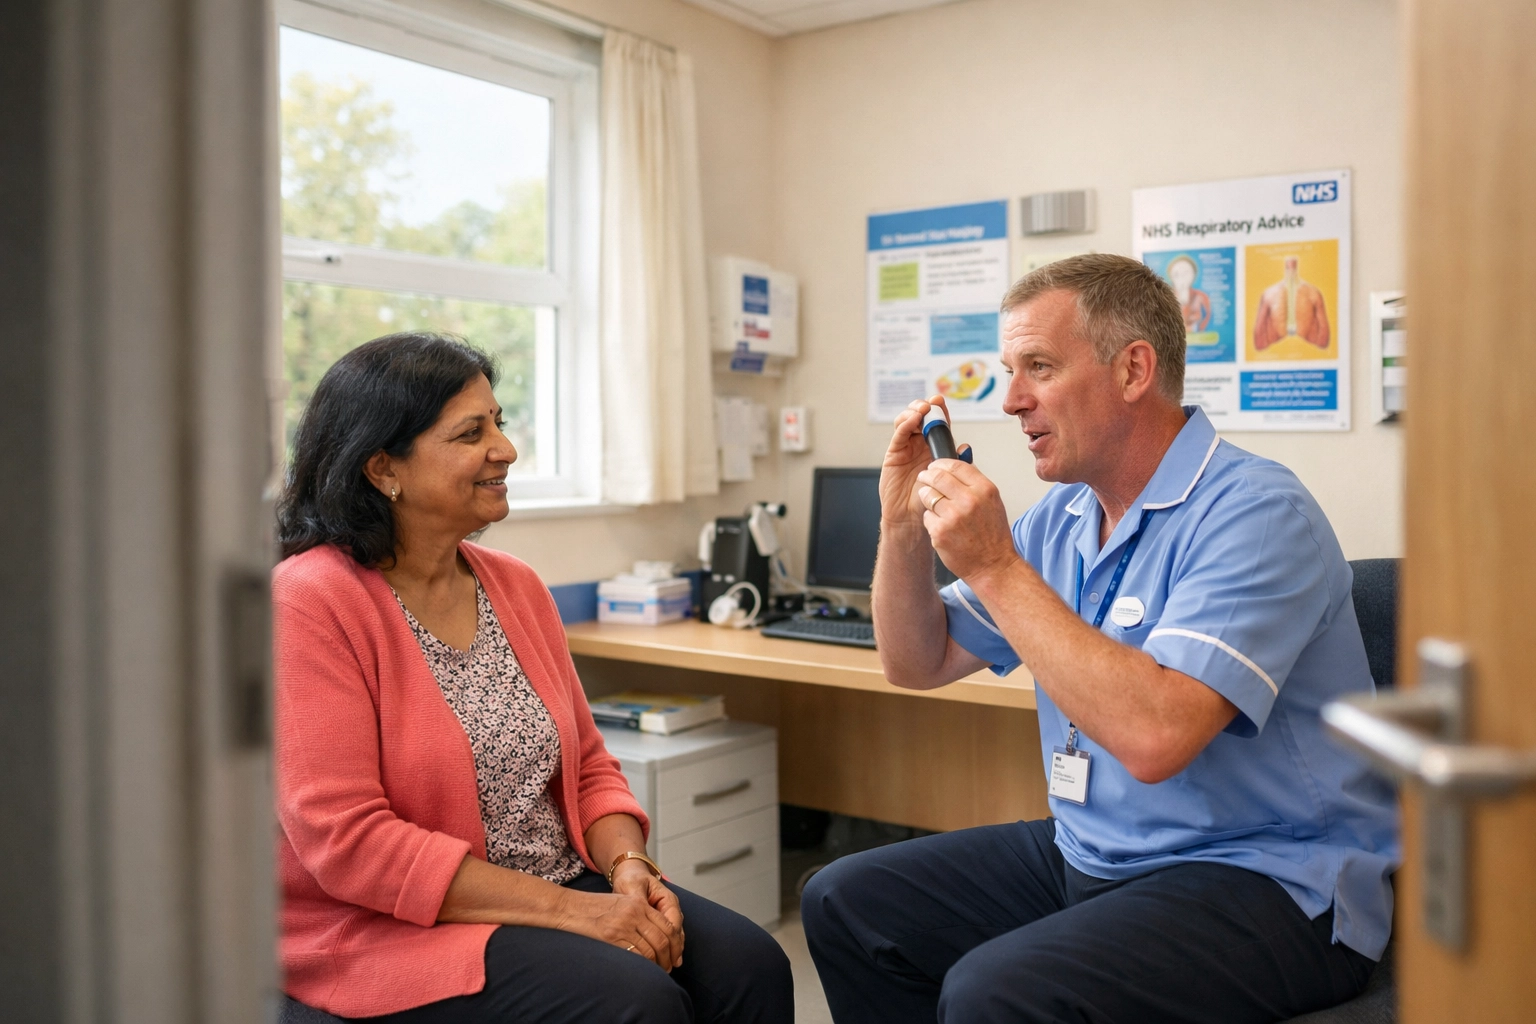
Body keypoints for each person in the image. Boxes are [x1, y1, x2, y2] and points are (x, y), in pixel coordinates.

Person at [801, 254, 1397, 1023]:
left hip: (1272, 880)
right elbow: (915, 662)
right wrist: (900, 526)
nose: (1011, 402)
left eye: (1038, 368)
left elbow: (1154, 738)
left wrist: (995, 565)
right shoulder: (1063, 520)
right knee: (847, 901)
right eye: (1009, 371)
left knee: (994, 990)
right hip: (1098, 851)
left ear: (1132, 370)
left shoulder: (1256, 513)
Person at [273, 333, 792, 1023]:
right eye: (471, 433)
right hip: (393, 924)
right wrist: (578, 913)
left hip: (556, 879)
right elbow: (350, 843)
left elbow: (585, 768)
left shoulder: (514, 586)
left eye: (500, 424)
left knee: (752, 965)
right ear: (381, 468)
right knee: (637, 1002)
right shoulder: (308, 602)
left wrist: (629, 871)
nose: (506, 450)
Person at [1253, 254, 1331, 350]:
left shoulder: (1313, 293)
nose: (1291, 269)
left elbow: (1323, 336)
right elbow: (1259, 337)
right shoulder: (1269, 294)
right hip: (1277, 347)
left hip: (1307, 347)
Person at [1164, 254, 1210, 332]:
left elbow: (1206, 318)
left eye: (1186, 273)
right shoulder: (1165, 298)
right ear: (1171, 277)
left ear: (1193, 275)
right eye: (1177, 274)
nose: (1182, 278)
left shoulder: (1201, 297)